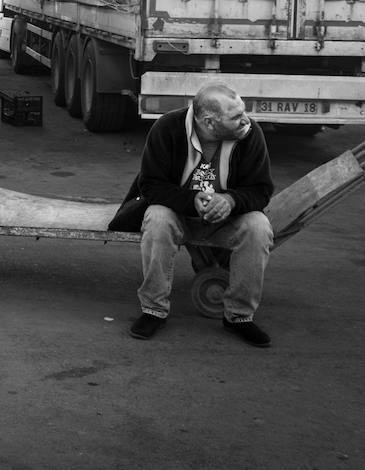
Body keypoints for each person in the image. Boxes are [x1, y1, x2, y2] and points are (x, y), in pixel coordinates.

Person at [108, 81, 275, 347]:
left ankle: (239, 316)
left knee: (258, 225)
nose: (246, 120)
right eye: (235, 116)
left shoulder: (249, 133)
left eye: (243, 111)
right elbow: (151, 185)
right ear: (209, 122)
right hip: (181, 217)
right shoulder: (167, 128)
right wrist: (191, 200)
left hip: (226, 221)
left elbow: (261, 190)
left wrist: (231, 200)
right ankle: (153, 310)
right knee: (157, 217)